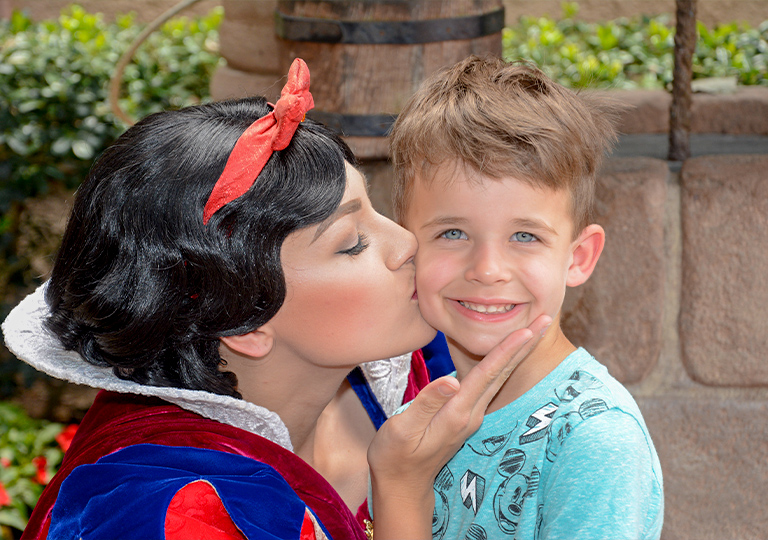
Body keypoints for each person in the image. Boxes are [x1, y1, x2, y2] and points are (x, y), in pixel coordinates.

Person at [2, 58, 548, 540]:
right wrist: (401, 489)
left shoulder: (407, 370)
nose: (407, 243)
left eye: (375, 209)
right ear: (243, 320)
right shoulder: (172, 514)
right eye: (352, 244)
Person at [387, 55, 664, 540]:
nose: (488, 270)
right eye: (452, 232)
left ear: (578, 257)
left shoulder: (593, 442)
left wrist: (399, 485)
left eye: (525, 236)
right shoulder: (404, 394)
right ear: (406, 245)